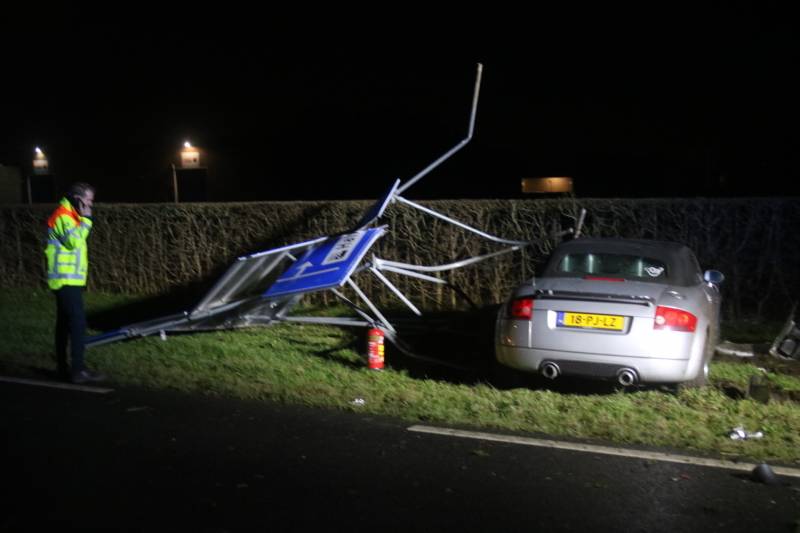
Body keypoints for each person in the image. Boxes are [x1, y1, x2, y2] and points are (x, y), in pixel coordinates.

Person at [44, 182, 106, 384]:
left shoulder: (69, 214)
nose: (90, 204)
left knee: (63, 324)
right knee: (78, 323)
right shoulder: (64, 215)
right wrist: (87, 220)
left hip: (68, 279)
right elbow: (74, 242)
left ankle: (63, 369)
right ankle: (78, 370)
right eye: (88, 200)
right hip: (65, 279)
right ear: (78, 199)